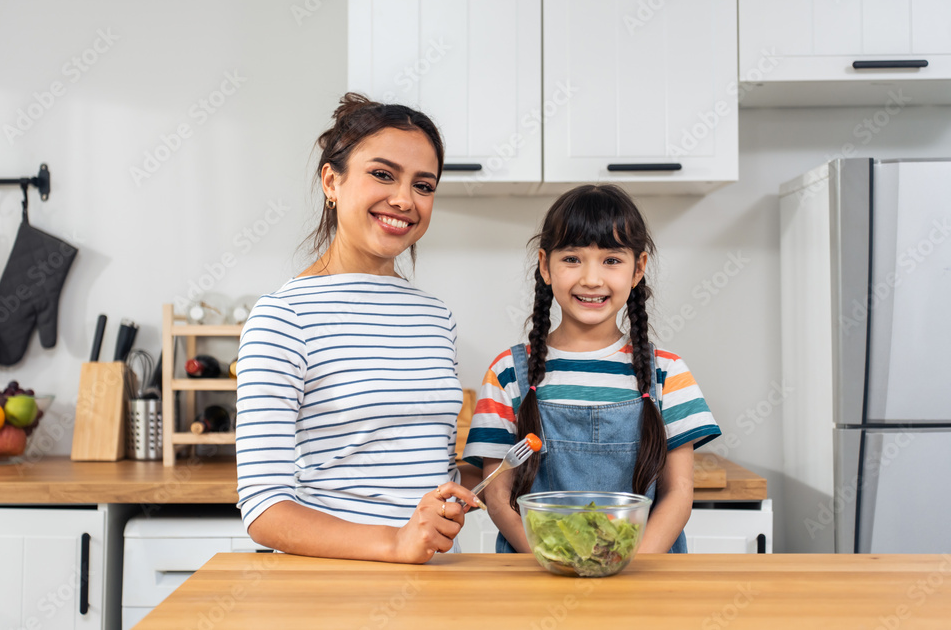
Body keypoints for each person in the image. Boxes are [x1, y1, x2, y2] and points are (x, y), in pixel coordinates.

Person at [235, 93, 480, 564]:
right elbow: (264, 508)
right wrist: (394, 544)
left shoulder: (435, 317)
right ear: (332, 180)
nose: (404, 200)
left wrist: (496, 467)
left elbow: (420, 468)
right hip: (332, 582)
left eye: (423, 186)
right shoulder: (283, 317)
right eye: (383, 174)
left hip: (431, 575)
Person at [463, 184, 721, 554]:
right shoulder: (508, 373)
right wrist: (550, 558)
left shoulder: (668, 373)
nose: (591, 279)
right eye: (572, 258)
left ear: (638, 269)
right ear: (544, 266)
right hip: (539, 578)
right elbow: (498, 495)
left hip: (639, 581)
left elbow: (678, 494)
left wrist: (628, 565)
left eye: (611, 260)